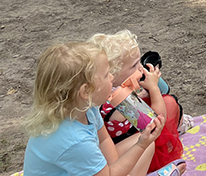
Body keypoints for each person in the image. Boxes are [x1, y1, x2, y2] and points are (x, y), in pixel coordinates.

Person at [22, 41, 172, 176]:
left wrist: (120, 166)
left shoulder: (85, 108)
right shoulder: (75, 140)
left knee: (147, 146)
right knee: (143, 145)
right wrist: (140, 144)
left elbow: (104, 140)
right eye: (106, 75)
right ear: (86, 91)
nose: (112, 78)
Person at [89, 30, 185, 172]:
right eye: (134, 65)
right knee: (169, 103)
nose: (141, 68)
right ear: (112, 74)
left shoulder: (101, 94)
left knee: (156, 100)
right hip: (134, 156)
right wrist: (154, 88)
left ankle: (181, 122)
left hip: (116, 146)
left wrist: (142, 93)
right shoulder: (118, 100)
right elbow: (157, 121)